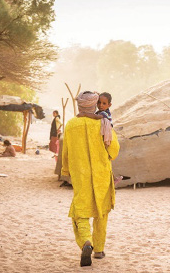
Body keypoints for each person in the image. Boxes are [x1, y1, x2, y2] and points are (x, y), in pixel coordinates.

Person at [61, 91, 120, 267]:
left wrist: (66, 170)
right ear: (94, 105)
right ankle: (99, 250)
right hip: (101, 174)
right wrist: (105, 157)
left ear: (79, 106)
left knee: (81, 211)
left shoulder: (71, 124)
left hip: (81, 175)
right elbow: (114, 150)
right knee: (101, 211)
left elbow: (66, 151)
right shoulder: (104, 123)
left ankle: (86, 241)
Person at [77, 92, 123, 184]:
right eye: (98, 102)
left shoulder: (103, 113)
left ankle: (113, 179)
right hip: (104, 133)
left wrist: (84, 114)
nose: (100, 105)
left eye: (104, 103)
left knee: (105, 158)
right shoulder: (102, 111)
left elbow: (95, 116)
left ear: (109, 105)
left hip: (106, 135)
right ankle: (113, 178)